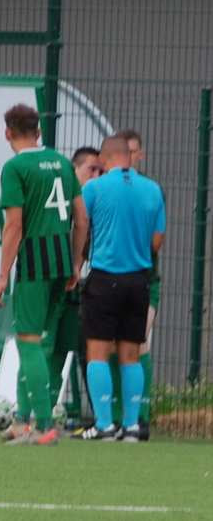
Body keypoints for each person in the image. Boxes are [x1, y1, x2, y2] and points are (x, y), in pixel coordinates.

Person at [0, 104, 88, 446]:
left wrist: (3, 275)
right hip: (61, 262)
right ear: (39, 131)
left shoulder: (15, 167)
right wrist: (75, 263)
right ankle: (20, 421)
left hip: (34, 263)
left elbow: (14, 226)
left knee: (28, 342)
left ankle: (44, 425)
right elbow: (82, 219)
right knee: (38, 343)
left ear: (8, 133)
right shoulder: (62, 163)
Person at [74, 136, 165, 442]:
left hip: (105, 278)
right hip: (139, 280)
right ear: (130, 156)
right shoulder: (152, 189)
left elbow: (81, 225)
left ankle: (103, 424)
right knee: (131, 354)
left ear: (104, 157)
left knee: (97, 353)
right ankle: (131, 426)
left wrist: (77, 263)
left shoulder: (94, 188)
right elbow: (157, 241)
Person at [111, 129, 158, 439]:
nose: (128, 157)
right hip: (111, 280)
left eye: (133, 151)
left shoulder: (150, 191)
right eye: (123, 151)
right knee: (111, 348)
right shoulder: (107, 188)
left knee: (139, 344)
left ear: (140, 155)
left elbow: (155, 238)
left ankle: (140, 416)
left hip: (143, 279)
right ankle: (115, 418)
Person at [48, 147, 101, 419]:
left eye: (100, 171)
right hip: (61, 287)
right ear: (74, 170)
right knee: (54, 349)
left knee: (90, 351)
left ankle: (99, 416)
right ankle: (44, 410)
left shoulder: (100, 204)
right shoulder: (59, 205)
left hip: (90, 289)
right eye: (91, 170)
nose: (96, 176)